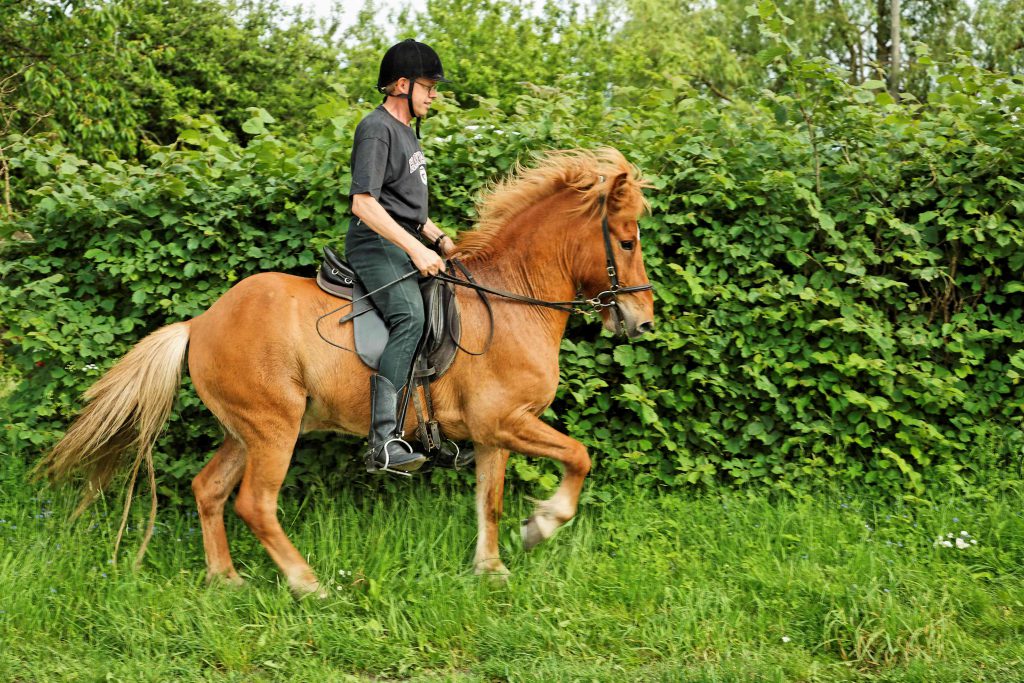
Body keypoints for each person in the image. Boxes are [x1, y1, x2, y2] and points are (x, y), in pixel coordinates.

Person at [346, 39, 455, 473]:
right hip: (374, 244)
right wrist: (415, 247)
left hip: (401, 240)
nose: (433, 95)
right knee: (410, 316)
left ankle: (432, 429)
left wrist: (438, 237)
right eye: (428, 86)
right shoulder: (376, 129)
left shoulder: (408, 133)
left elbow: (405, 208)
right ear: (402, 85)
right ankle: (384, 442)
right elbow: (365, 203)